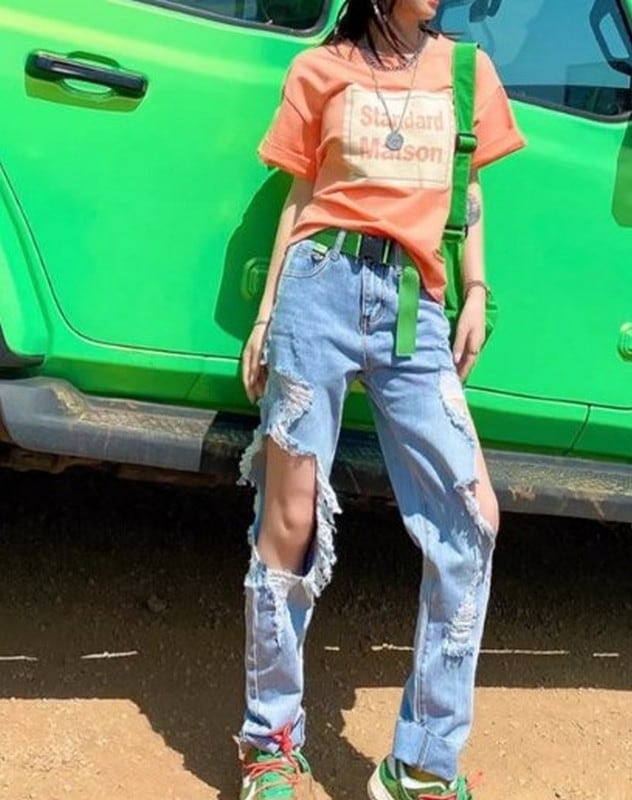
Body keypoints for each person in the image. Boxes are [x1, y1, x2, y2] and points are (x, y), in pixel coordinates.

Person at [237, 1, 525, 797]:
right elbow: (300, 195)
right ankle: (270, 747)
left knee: (472, 520)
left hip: (413, 307)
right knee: (289, 521)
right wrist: (265, 315)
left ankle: (422, 766)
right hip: (317, 288)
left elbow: (469, 189)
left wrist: (475, 287)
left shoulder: (465, 70)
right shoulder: (318, 69)